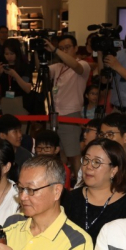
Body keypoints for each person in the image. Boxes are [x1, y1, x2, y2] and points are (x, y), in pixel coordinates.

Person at [41, 34, 92, 175]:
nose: (64, 51)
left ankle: (80, 182)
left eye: (67, 47)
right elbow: (42, 70)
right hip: (54, 114)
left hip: (70, 114)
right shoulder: (58, 66)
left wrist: (56, 50)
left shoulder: (83, 65)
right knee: (58, 153)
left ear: (76, 48)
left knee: (73, 154)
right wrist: (39, 53)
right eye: (61, 48)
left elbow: (75, 65)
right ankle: (63, 181)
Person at [0, 39, 32, 115]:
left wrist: (15, 74)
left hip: (21, 102)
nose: (9, 56)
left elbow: (27, 89)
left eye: (12, 53)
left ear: (17, 53)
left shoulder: (24, 67)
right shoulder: (2, 66)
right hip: (5, 101)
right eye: (6, 54)